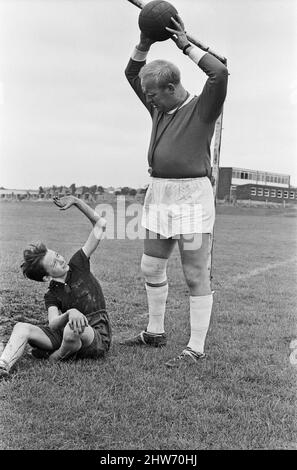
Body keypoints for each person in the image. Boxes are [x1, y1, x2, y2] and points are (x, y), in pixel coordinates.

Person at [121, 15, 228, 368]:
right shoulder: (158, 106)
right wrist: (145, 40)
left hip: (191, 198)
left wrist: (184, 44)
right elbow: (130, 74)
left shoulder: (202, 107)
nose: (148, 100)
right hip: (160, 193)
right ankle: (155, 332)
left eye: (152, 94)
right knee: (151, 266)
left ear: (170, 88)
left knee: (195, 273)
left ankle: (195, 348)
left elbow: (219, 72)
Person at [0, 196, 111, 379]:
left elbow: (101, 224)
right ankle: (3, 365)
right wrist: (70, 313)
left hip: (95, 335)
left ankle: (56, 356)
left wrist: (76, 201)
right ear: (46, 277)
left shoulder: (78, 264)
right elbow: (53, 323)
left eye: (57, 255)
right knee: (21, 326)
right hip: (66, 331)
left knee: (72, 329)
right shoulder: (51, 294)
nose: (61, 260)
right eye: (54, 263)